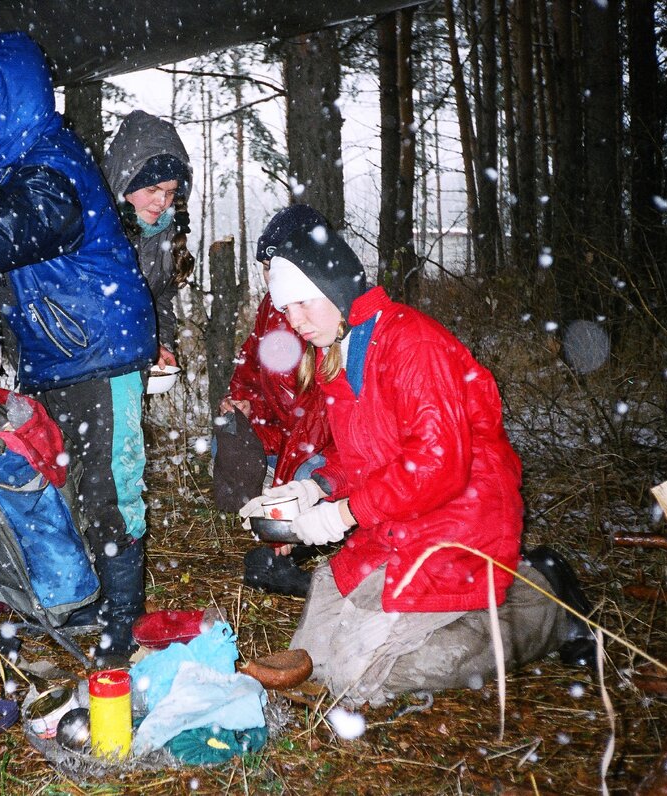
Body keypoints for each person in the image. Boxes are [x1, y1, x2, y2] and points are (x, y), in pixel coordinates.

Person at [239, 223, 590, 706]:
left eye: (303, 302)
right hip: (397, 520)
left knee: (366, 677)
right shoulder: (341, 349)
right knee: (315, 651)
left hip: (459, 518)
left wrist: (344, 514)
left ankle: (545, 603)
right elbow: (363, 452)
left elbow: (437, 463)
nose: (293, 319)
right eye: (285, 307)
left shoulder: (410, 345)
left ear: (336, 287)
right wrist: (317, 487)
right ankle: (470, 602)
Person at [0, 31, 157, 666]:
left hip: (99, 351)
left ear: (17, 103)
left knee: (107, 492)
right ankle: (91, 613)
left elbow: (18, 230)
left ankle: (120, 629)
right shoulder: (22, 164)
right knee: (68, 484)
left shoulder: (51, 162)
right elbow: (31, 252)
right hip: (63, 351)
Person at [221, 205, 336, 598]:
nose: (269, 276)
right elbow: (252, 359)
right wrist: (242, 399)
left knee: (302, 492)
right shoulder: (273, 306)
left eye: (276, 263)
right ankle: (288, 539)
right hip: (284, 434)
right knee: (236, 457)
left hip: (326, 448)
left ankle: (301, 549)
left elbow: (316, 425)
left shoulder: (326, 316)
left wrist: (289, 487)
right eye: (265, 265)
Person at [102, 110, 193, 369]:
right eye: (152, 189)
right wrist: (141, 345)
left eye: (170, 192)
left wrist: (161, 343)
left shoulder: (166, 232)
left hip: (130, 364)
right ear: (125, 183)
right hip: (88, 369)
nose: (162, 202)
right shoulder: (96, 229)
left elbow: (160, 299)